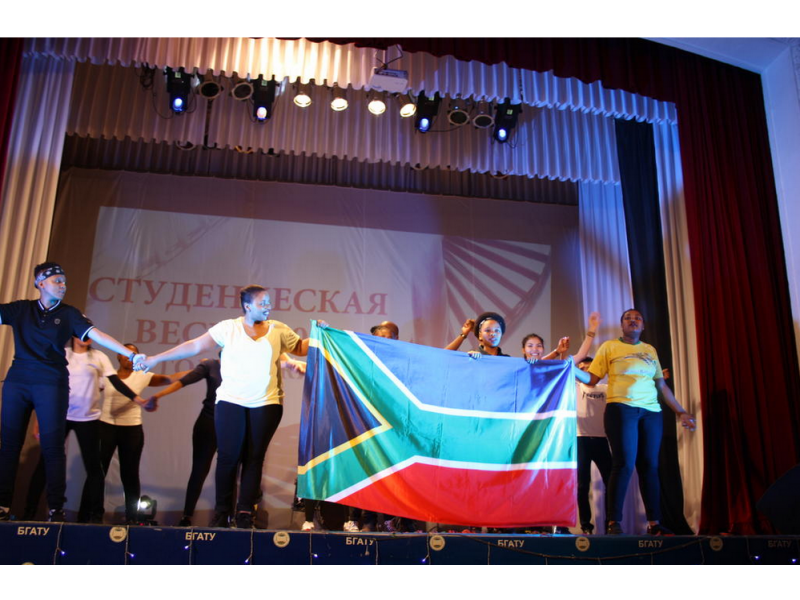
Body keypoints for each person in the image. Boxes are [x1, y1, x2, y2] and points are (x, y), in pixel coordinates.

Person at [135, 285, 322, 529]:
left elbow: (300, 348)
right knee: (227, 457)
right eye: (262, 303)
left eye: (269, 302)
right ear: (247, 306)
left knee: (254, 458)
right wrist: (155, 359)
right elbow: (194, 346)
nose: (268, 307)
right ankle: (222, 513)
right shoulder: (228, 328)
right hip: (230, 402)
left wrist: (318, 334)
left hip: (266, 403)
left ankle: (244, 512)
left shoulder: (278, 329)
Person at [0, 262, 148, 523]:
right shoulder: (21, 309)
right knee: (9, 445)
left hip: (51, 382)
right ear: (40, 283)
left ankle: (56, 509)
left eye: (64, 281)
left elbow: (98, 335)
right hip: (18, 381)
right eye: (57, 281)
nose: (63, 285)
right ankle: (2, 505)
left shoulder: (69, 314)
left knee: (53, 447)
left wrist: (130, 354)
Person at [148, 353, 306, 527]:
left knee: (235, 466)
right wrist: (158, 395)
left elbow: (273, 362)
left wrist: (290, 363)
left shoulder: (246, 367)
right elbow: (183, 381)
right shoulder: (210, 365)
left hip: (233, 423)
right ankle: (188, 516)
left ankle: (237, 515)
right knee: (200, 470)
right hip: (209, 423)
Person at [585, 309, 696, 535]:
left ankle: (654, 523)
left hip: (651, 412)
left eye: (637, 318)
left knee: (650, 466)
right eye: (628, 318)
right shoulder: (609, 347)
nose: (633, 321)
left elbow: (661, 385)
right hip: (621, 409)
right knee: (624, 464)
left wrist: (681, 412)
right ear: (622, 325)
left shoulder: (649, 350)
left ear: (643, 326)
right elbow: (592, 379)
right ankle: (614, 522)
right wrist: (571, 371)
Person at [23, 337, 142, 523]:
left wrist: (137, 399)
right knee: (45, 463)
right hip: (60, 415)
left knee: (95, 468)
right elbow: (47, 386)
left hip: (88, 418)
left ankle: (96, 515)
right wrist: (39, 418)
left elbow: (114, 381)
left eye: (88, 334)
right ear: (73, 335)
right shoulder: (62, 354)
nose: (85, 337)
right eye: (81, 333)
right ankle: (29, 512)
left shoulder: (99, 357)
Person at [98, 343, 176, 524]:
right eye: (126, 354)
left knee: (130, 473)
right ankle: (91, 513)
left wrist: (197, 371)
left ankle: (132, 516)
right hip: (106, 426)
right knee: (98, 471)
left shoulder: (142, 375)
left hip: (131, 428)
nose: (130, 357)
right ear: (118, 356)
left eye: (134, 354)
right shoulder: (108, 376)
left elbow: (170, 379)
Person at [575, 356, 612, 535]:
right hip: (580, 439)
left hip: (601, 439)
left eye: (590, 369)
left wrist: (654, 381)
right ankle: (586, 526)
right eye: (583, 369)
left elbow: (630, 387)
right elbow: (562, 371)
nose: (586, 372)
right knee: (582, 485)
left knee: (611, 482)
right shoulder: (575, 387)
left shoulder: (605, 388)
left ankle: (610, 523)